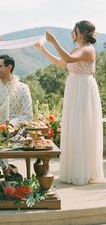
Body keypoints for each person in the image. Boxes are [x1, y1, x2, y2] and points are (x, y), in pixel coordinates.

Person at [34, 20, 104, 185]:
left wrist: (54, 41)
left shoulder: (88, 50)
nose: (72, 33)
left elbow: (68, 58)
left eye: (74, 30)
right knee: (73, 126)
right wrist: (44, 49)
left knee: (82, 126)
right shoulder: (77, 48)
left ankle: (84, 171)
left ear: (82, 33)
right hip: (74, 87)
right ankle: (74, 169)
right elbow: (60, 62)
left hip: (84, 89)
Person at [0, 54, 33, 177]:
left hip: (17, 129)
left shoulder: (23, 88)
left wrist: (10, 125)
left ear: (9, 67)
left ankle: (6, 171)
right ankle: (7, 172)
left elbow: (27, 115)